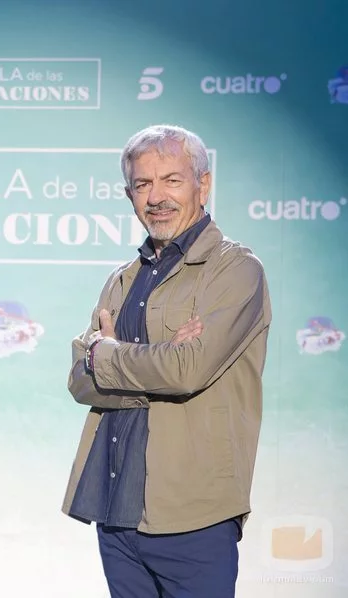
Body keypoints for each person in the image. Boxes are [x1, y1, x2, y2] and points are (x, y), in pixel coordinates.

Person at [60, 124, 271, 597]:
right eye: (143, 184)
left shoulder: (236, 270)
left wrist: (110, 357)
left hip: (192, 516)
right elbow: (79, 378)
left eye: (172, 180)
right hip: (115, 508)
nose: (156, 197)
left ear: (203, 184)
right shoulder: (122, 278)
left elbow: (186, 371)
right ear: (129, 195)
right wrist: (145, 364)